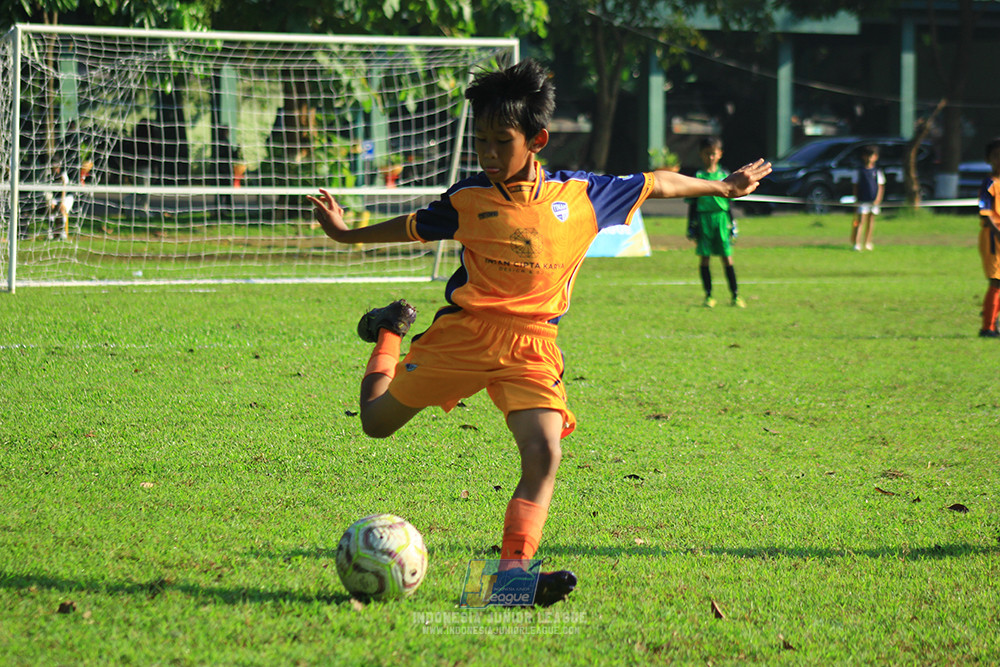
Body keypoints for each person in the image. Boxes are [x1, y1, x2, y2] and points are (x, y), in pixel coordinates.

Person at [307, 59, 771, 605]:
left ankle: (509, 577)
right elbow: (409, 227)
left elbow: (658, 182)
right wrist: (345, 234)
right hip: (467, 334)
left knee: (544, 452)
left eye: (501, 142)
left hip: (534, 346)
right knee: (376, 423)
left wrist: (721, 186)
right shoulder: (468, 197)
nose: (488, 154)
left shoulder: (583, 195)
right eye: (480, 142)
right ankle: (389, 329)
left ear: (538, 140)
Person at [686, 136, 744, 308]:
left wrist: (732, 223)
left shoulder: (724, 175)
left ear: (720, 154)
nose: (710, 157)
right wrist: (691, 224)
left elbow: (729, 204)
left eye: (713, 154)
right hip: (704, 219)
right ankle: (709, 296)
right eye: (707, 154)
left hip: (721, 218)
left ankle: (735, 295)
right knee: (705, 258)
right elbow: (693, 204)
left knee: (727, 257)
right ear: (701, 154)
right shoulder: (698, 176)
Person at [976, 137, 1000, 338]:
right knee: (996, 281)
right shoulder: (989, 183)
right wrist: (998, 232)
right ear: (988, 159)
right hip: (993, 238)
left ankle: (993, 317)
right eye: (997, 156)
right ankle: (987, 327)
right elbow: (985, 212)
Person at [850, 145, 885, 251]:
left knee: (871, 221)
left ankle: (868, 242)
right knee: (860, 221)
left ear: (876, 157)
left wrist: (878, 199)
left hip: (873, 201)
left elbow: (880, 186)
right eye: (868, 156)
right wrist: (856, 199)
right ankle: (857, 243)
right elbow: (855, 185)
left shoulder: (877, 171)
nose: (869, 158)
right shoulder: (859, 171)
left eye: (872, 156)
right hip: (862, 200)